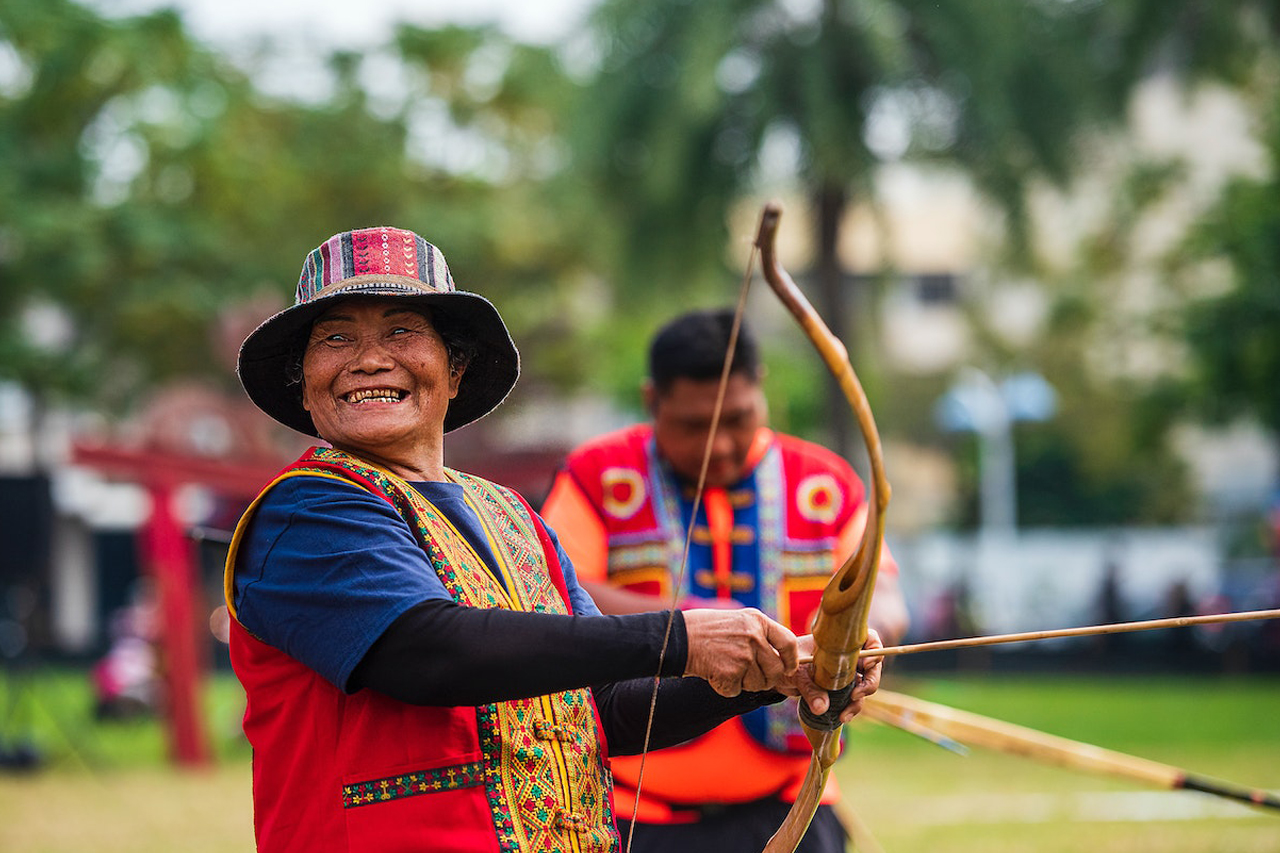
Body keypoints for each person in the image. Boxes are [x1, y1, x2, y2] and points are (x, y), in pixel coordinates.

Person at [222, 227, 885, 853]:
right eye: (335, 338)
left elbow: (608, 706)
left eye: (402, 329)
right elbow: (427, 649)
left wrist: (781, 672)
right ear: (302, 384)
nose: (369, 358)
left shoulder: (511, 515)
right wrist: (682, 636)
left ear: (454, 369)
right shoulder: (309, 507)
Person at [541, 308, 909, 853]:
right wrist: (693, 630)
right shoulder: (599, 475)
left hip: (793, 804)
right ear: (652, 401)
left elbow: (884, 599)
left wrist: (856, 641)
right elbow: (554, 592)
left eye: (737, 419)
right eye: (694, 426)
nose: (719, 445)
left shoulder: (824, 482)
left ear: (759, 389)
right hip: (633, 814)